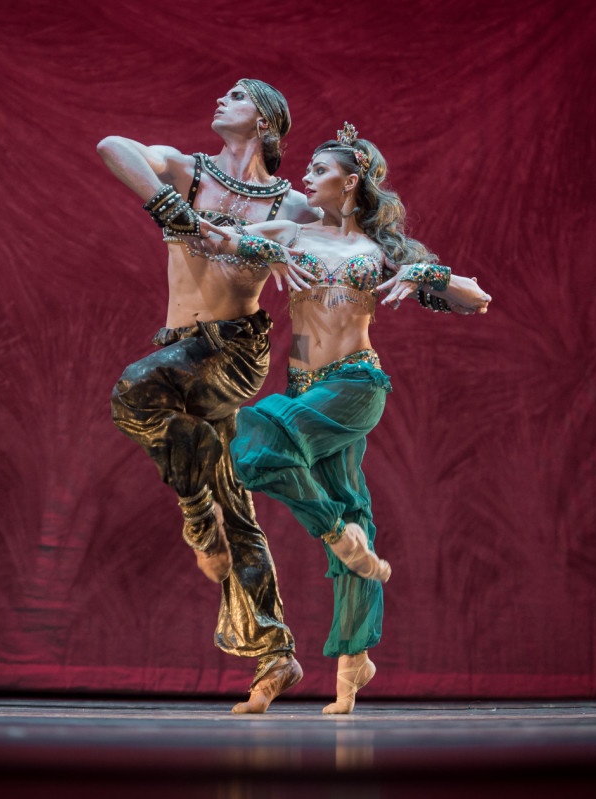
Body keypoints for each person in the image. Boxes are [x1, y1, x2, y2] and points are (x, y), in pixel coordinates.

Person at [203, 123, 492, 714]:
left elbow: (476, 298)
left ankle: (337, 535)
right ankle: (354, 658)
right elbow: (214, 237)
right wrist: (259, 248)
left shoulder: (383, 250)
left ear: (351, 180)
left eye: (320, 169)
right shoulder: (291, 231)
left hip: (357, 383)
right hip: (303, 386)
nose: (306, 177)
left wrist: (427, 274)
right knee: (347, 502)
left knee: (258, 436)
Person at [96, 80, 319, 714]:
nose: (221, 100)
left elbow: (341, 253)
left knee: (135, 391)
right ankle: (276, 653)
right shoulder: (185, 171)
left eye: (238, 96)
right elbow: (112, 145)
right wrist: (176, 211)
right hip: (182, 348)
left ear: (266, 122)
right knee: (233, 501)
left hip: (234, 350)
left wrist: (306, 377)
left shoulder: (290, 203)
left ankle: (196, 516)